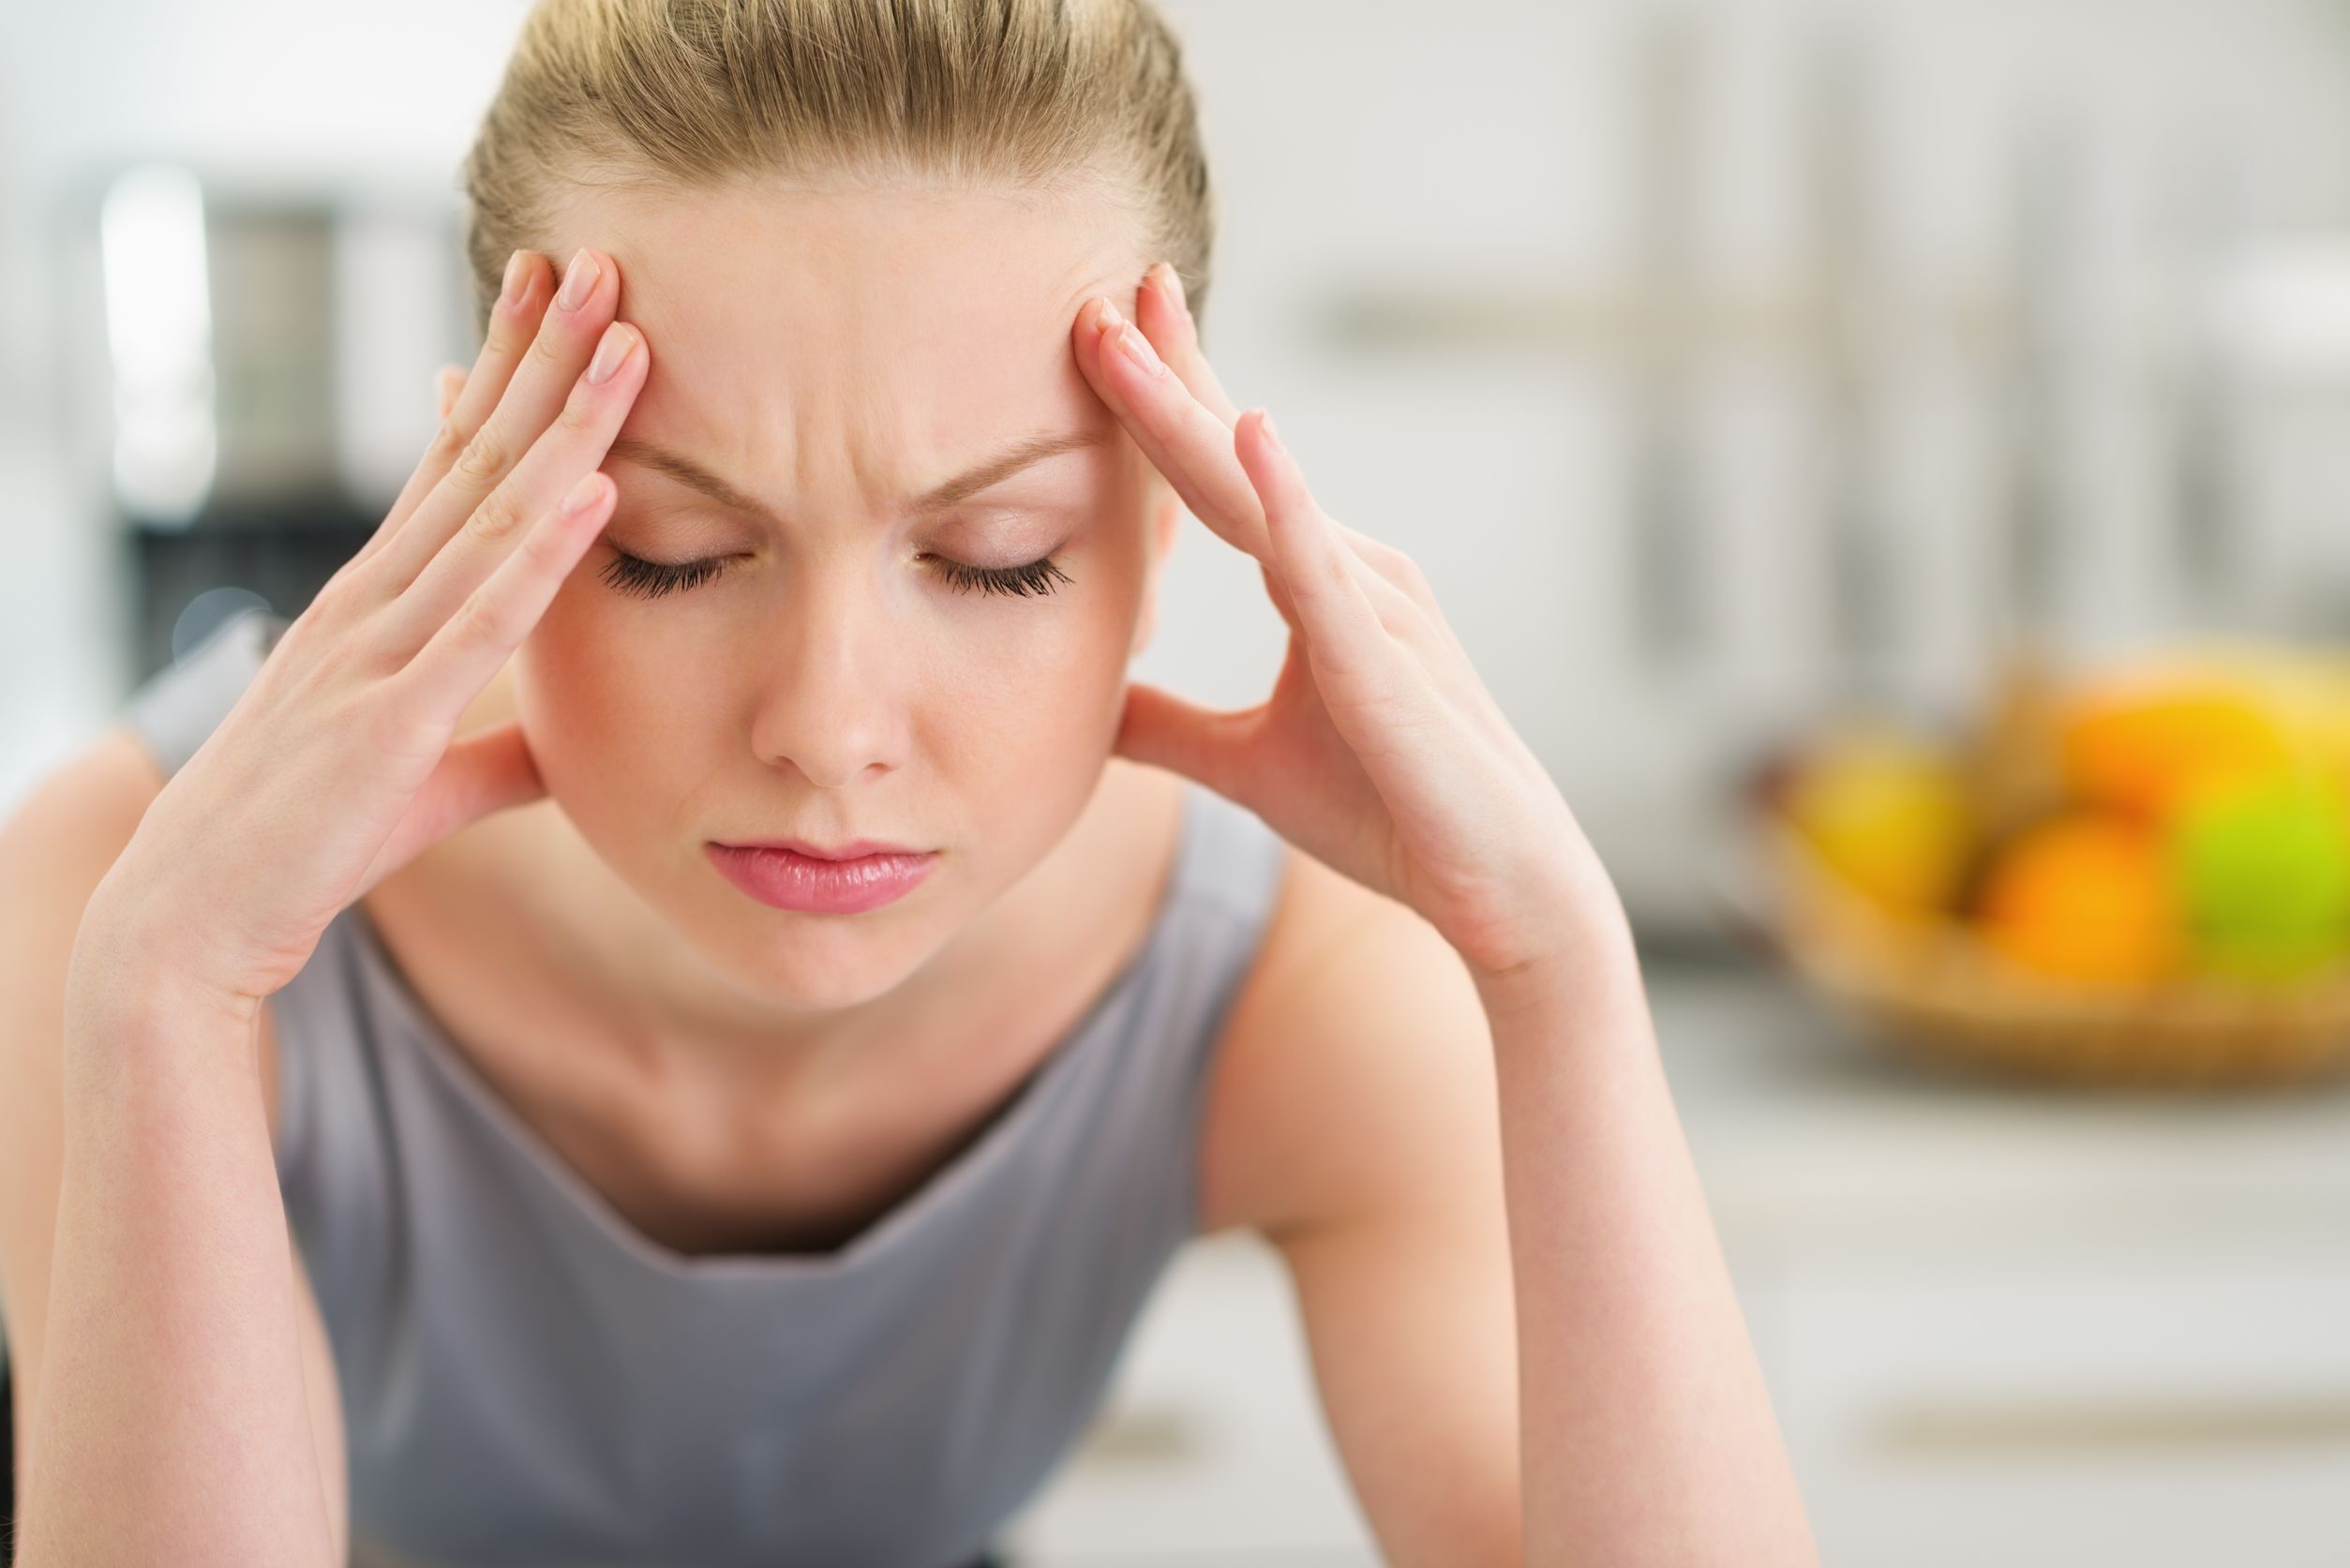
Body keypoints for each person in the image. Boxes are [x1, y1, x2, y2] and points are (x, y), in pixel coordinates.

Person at [0, 1, 1819, 1564]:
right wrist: (163, 997)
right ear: (481, 479)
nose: (833, 729)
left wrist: (1562, 974)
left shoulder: (1287, 973)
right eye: (677, 553)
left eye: (1001, 556)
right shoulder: (145, 900)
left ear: (1163, 533)